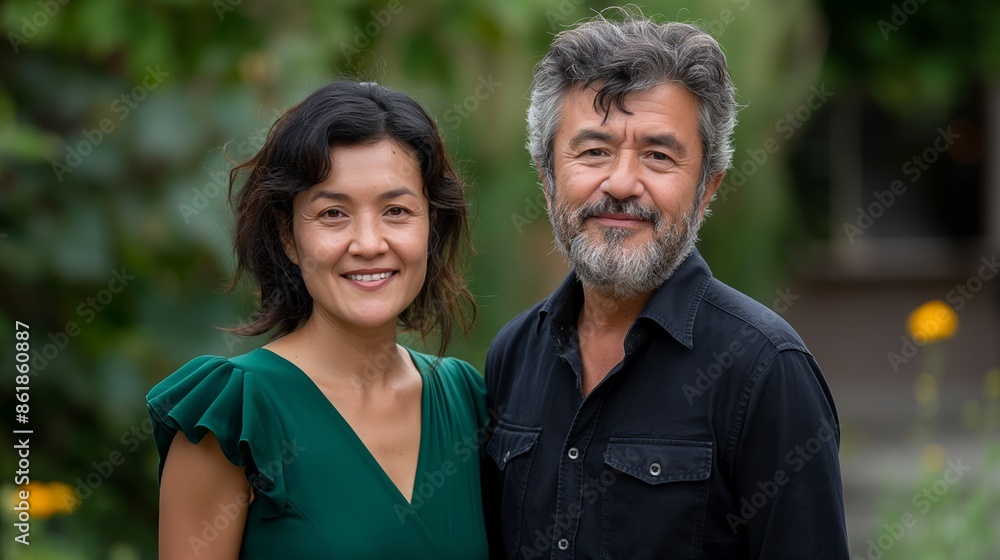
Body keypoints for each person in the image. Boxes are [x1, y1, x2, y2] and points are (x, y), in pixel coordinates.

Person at [483, 10, 849, 559]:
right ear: (547, 176)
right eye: (594, 151)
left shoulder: (765, 371)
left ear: (707, 189)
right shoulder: (512, 357)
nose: (623, 182)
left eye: (658, 155)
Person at [147, 81, 488, 559]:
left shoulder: (467, 401)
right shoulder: (233, 415)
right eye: (333, 213)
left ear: (430, 225)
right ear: (288, 237)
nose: (368, 242)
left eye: (396, 210)